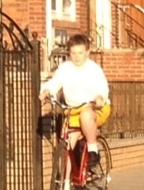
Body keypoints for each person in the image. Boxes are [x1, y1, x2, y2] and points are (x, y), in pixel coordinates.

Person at [39, 34, 111, 167]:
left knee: (86, 115)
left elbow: (102, 88)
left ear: (87, 52)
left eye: (80, 53)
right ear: (69, 53)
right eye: (73, 53)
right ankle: (65, 184)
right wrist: (46, 91)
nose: (77, 56)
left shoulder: (94, 69)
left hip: (94, 108)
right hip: (73, 110)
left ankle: (93, 149)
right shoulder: (65, 68)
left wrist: (99, 97)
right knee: (67, 146)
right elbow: (55, 82)